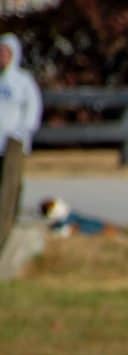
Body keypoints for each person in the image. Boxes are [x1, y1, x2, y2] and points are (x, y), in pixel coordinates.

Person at [0, 33, 40, 238]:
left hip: (14, 143)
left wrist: (22, 132)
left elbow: (33, 109)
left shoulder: (23, 81)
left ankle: (9, 222)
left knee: (12, 184)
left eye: (6, 53)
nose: (2, 56)